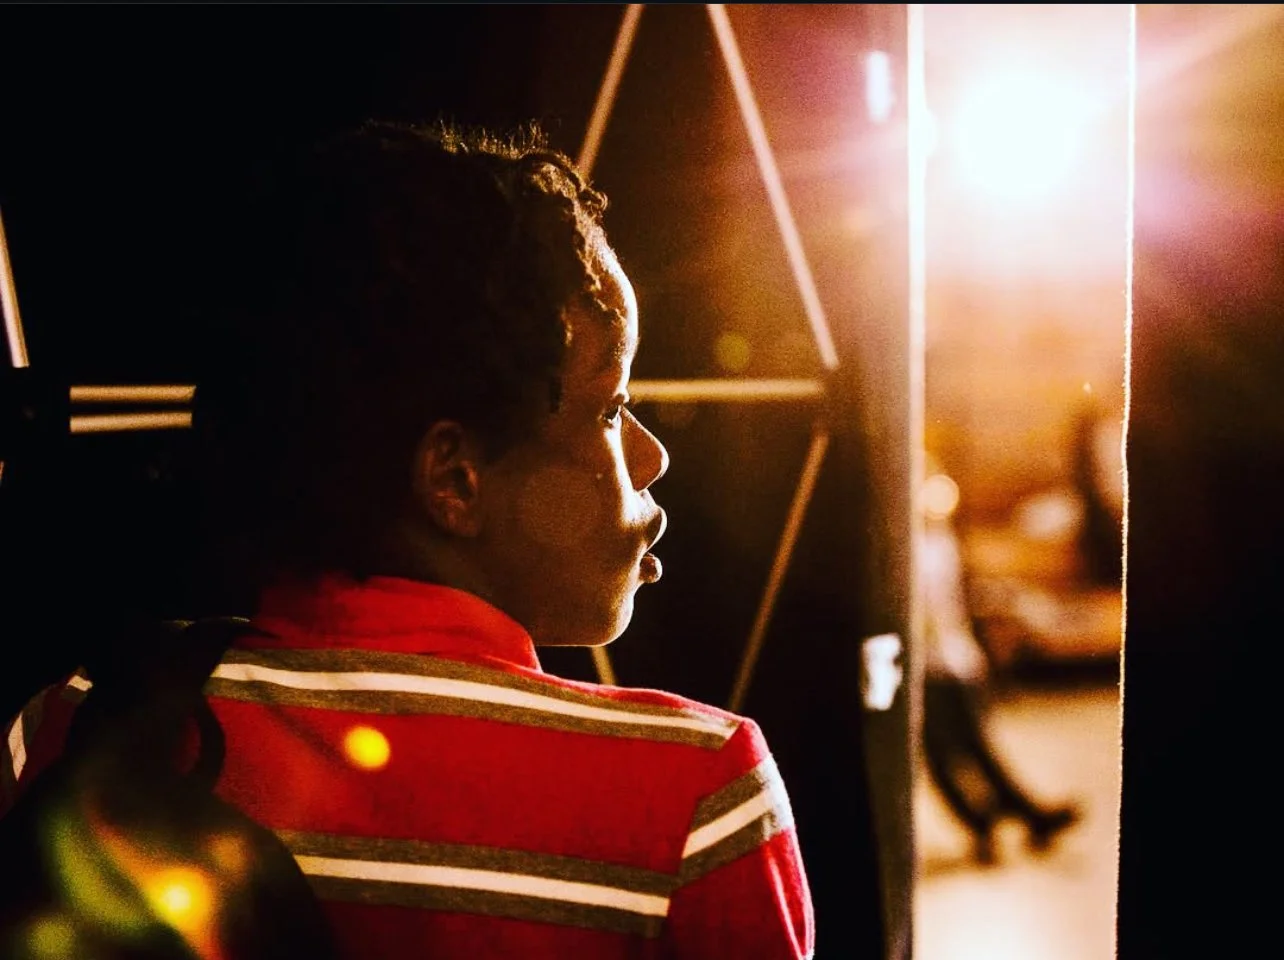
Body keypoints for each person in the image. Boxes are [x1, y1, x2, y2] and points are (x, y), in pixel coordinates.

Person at [0, 121, 814, 958]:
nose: (653, 453)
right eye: (608, 409)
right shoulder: (694, 801)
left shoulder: (83, 722)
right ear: (454, 481)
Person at [919, 468, 1080, 865]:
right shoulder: (918, 545)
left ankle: (1013, 818)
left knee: (972, 747)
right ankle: (991, 821)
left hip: (953, 660)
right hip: (928, 665)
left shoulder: (939, 542)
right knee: (942, 755)